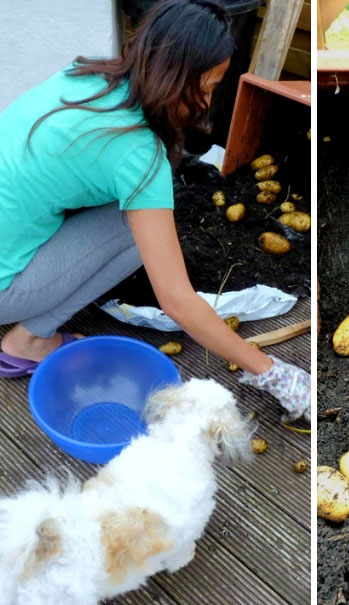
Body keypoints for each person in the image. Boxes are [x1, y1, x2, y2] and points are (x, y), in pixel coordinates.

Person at [0, 0, 310, 421]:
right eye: (208, 87)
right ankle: (28, 343)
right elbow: (177, 301)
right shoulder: (139, 157)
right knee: (139, 228)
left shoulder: (83, 77)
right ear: (178, 80)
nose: (208, 100)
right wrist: (273, 372)